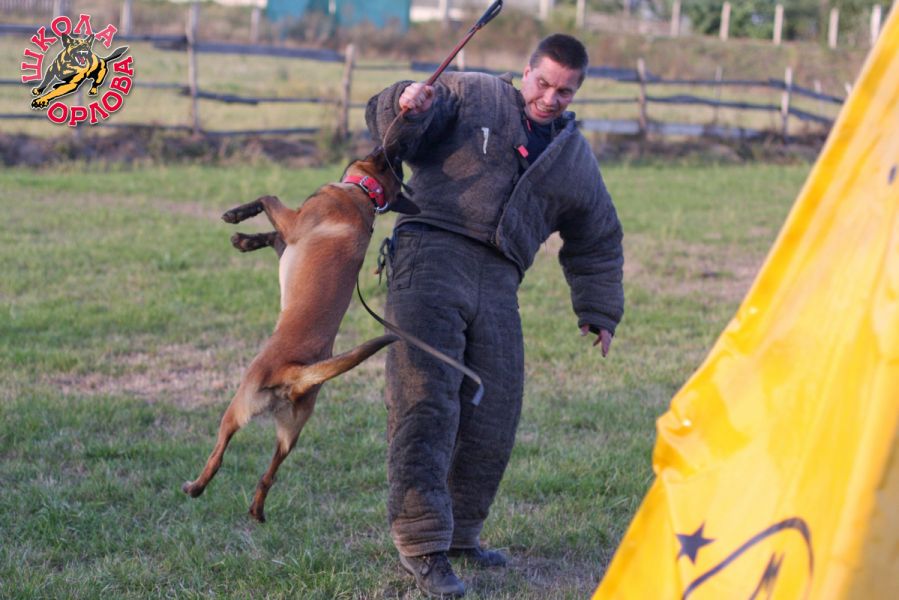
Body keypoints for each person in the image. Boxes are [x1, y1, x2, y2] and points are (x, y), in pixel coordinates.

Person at [365, 33, 624, 598]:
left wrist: (599, 308)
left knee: (495, 408)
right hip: (430, 253)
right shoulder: (472, 93)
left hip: (501, 278)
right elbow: (397, 131)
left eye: (564, 91)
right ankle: (422, 545)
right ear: (526, 71)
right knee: (425, 400)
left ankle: (461, 534)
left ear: (577, 92)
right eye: (543, 83)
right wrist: (406, 102)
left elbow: (598, 234)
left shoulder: (573, 157)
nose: (550, 98)